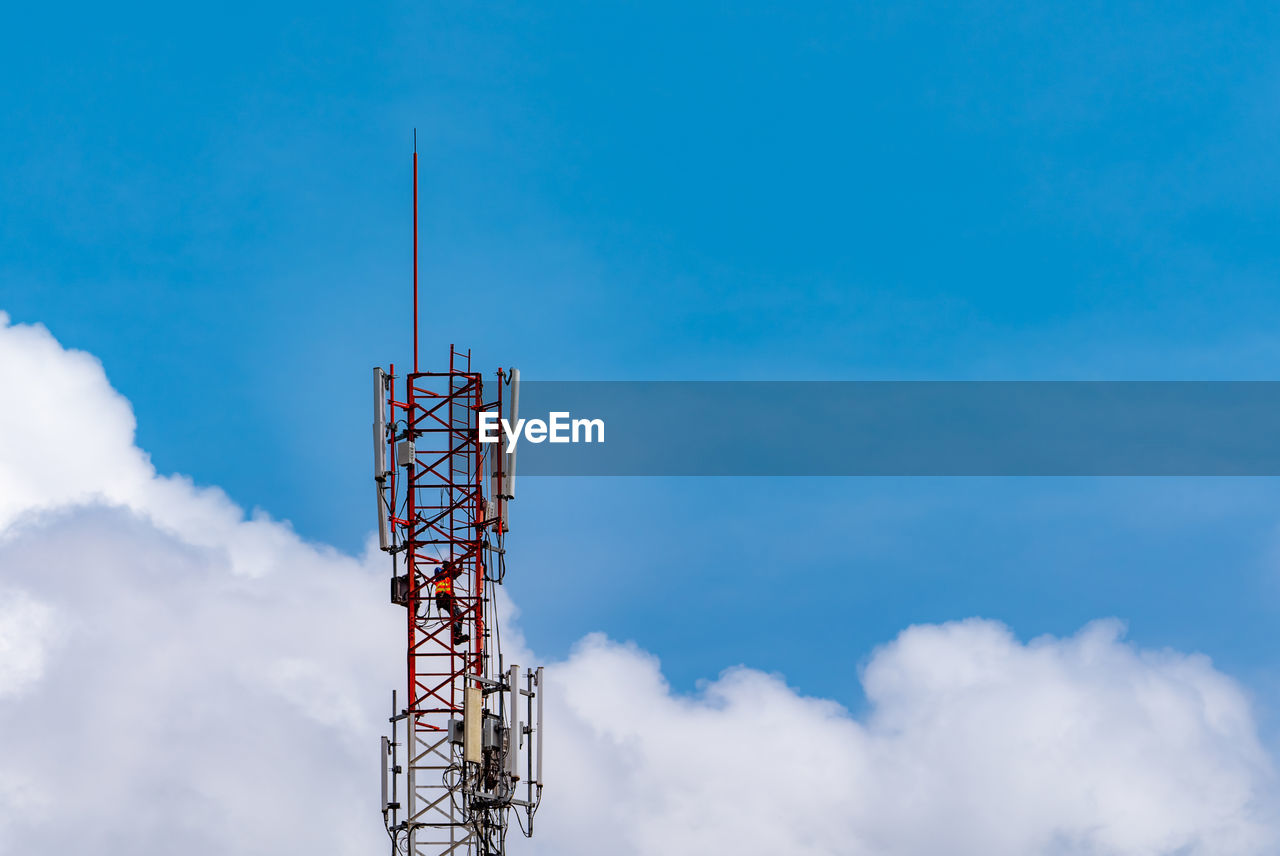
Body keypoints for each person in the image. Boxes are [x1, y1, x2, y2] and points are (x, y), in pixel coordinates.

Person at [432, 560, 470, 646]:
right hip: (443, 597)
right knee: (455, 615)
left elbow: (458, 572)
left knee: (460, 615)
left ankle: (458, 635)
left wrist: (461, 561)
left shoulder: (450, 574)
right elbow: (442, 574)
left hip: (450, 597)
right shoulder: (438, 569)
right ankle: (455, 636)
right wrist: (451, 569)